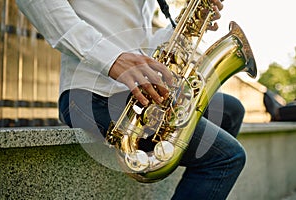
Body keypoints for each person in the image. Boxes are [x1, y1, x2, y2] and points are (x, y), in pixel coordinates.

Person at [16, 0, 246, 199]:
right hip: (90, 92)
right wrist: (112, 59)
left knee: (231, 111)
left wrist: (186, 27)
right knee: (227, 157)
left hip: (133, 91)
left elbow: (140, 45)